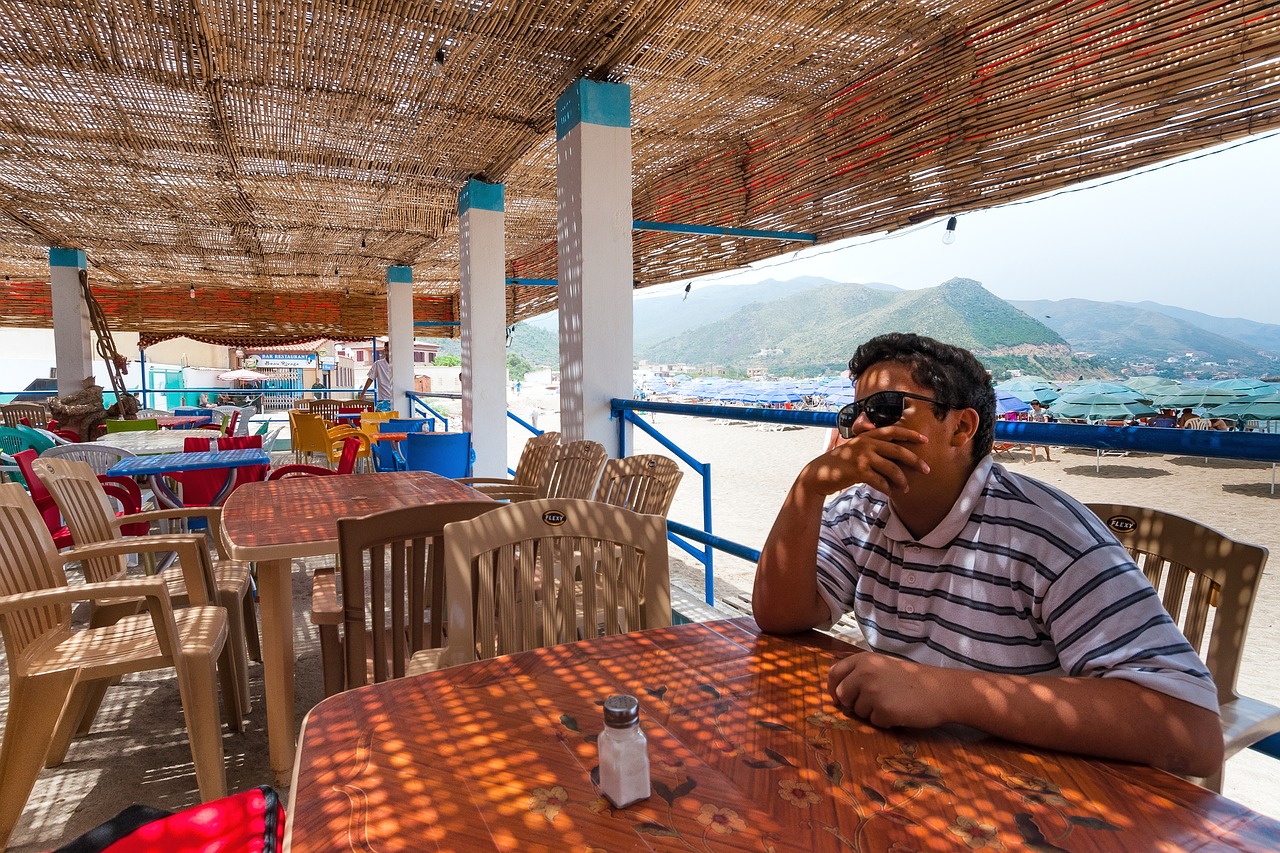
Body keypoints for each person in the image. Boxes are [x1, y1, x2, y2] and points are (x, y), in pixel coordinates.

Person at [753, 332, 1222, 778]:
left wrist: (941, 692)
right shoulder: (863, 511)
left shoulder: (1046, 534)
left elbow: (1192, 730)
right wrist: (807, 489)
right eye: (851, 415)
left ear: (961, 427)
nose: (858, 426)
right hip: (915, 764)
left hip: (1035, 778)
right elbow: (781, 617)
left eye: (884, 409)